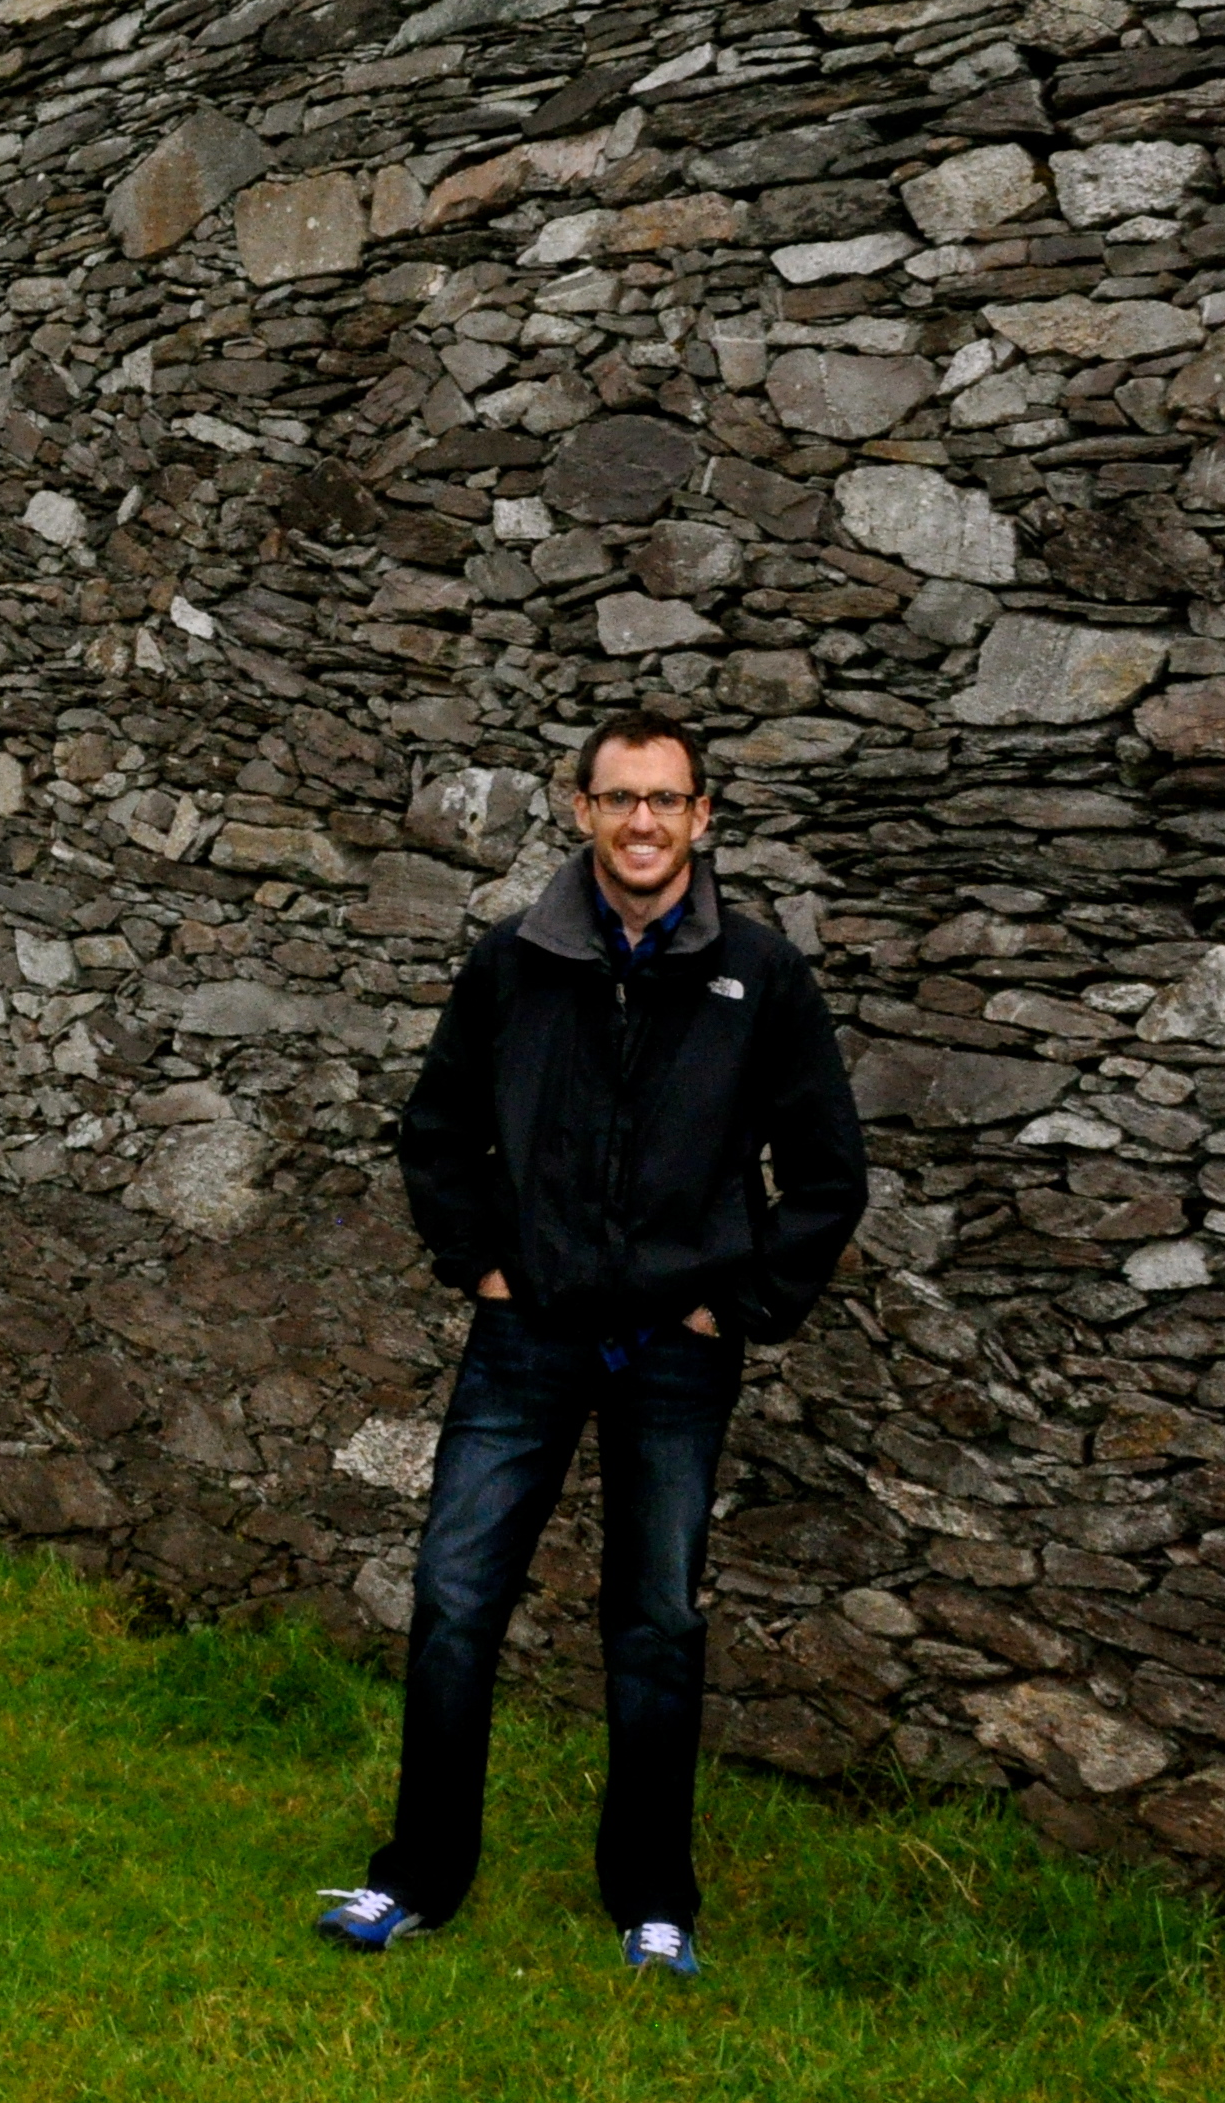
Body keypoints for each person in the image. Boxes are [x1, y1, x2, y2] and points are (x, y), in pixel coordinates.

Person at [314, 711, 865, 1980]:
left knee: (656, 1620)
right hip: (527, 1334)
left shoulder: (759, 974)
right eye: (619, 798)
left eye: (664, 799)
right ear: (581, 811)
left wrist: (737, 1302)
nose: (641, 822)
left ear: (702, 817)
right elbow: (437, 1129)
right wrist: (483, 1265)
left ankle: (652, 1899)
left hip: (678, 1347)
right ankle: (417, 1875)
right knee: (454, 1597)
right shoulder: (516, 960)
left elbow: (828, 1171)